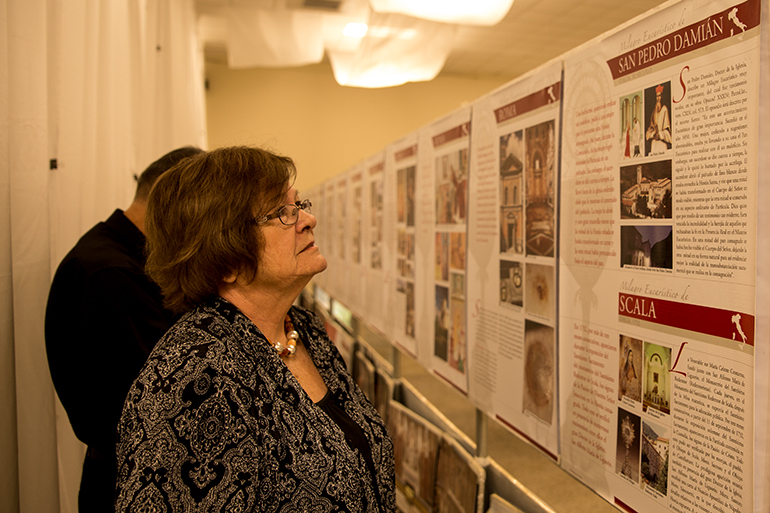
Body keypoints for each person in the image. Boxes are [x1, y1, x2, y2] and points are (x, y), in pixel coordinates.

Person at [115, 146, 395, 512]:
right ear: (225, 254)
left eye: (299, 204)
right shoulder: (198, 378)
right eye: (282, 213)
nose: (308, 219)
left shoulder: (302, 330)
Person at [45, 146, 204, 512]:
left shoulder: (121, 259)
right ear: (177, 202)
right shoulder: (110, 273)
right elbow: (167, 397)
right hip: (130, 483)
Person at [645, 84, 671, 155]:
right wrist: (652, 133)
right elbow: (650, 130)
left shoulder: (664, 109)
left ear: (662, 96)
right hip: (654, 144)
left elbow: (667, 131)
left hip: (662, 144)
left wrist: (659, 135)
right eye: (657, 96)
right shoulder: (654, 112)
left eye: (659, 96)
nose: (658, 98)